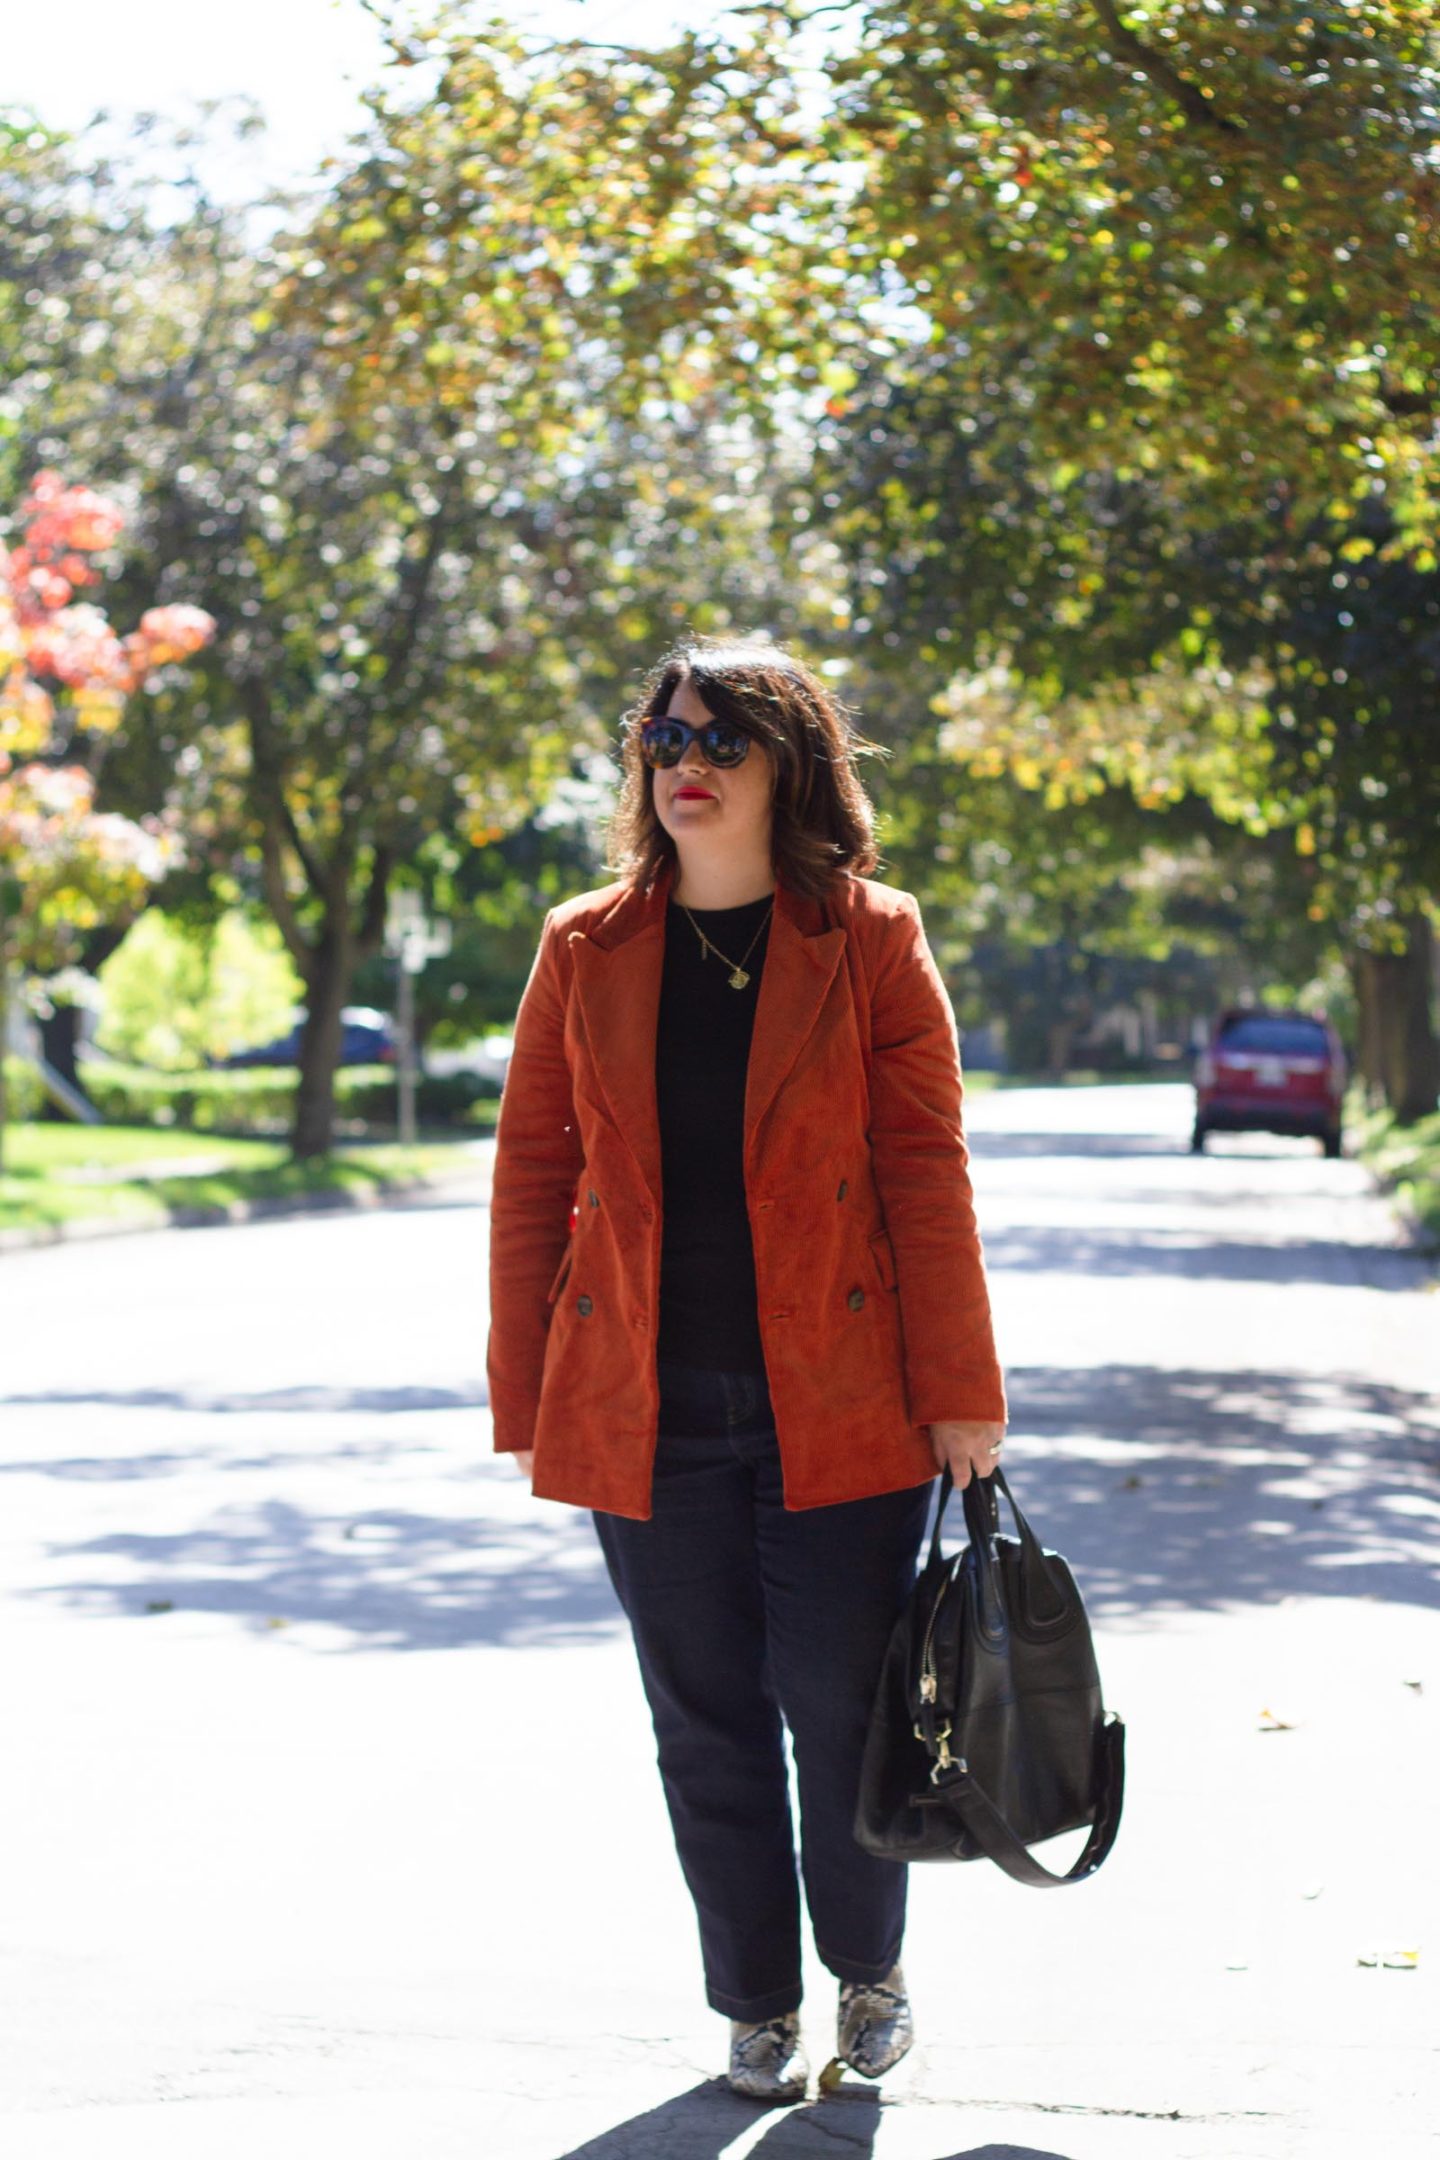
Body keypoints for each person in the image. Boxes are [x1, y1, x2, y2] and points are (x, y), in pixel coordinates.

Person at [486, 637, 1008, 2105]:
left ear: (792, 764)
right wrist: (529, 1398)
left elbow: (926, 1171)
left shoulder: (872, 938)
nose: (686, 765)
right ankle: (755, 2006)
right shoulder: (583, 945)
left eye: (719, 740)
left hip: (842, 1403)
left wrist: (961, 1389)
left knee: (839, 1704)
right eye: (663, 740)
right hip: (643, 1406)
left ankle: (870, 1973)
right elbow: (535, 1175)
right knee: (700, 1716)